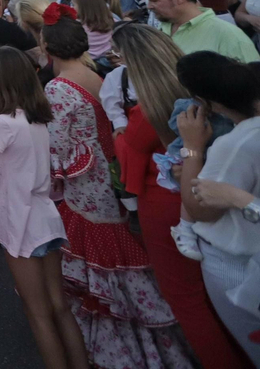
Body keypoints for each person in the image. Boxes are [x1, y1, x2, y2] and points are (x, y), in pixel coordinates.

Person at [39, 18, 187, 368]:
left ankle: (121, 354)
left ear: (48, 49)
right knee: (125, 265)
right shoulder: (98, 76)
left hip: (87, 188)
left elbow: (57, 148)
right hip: (111, 175)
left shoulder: (58, 88)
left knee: (103, 275)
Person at [112, 25, 249, 369]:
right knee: (221, 298)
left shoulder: (147, 111)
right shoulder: (197, 95)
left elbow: (129, 150)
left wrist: (118, 130)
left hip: (168, 204)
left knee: (186, 300)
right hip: (207, 197)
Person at [0, 47, 87, 369]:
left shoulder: (0, 123)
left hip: (18, 221)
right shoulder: (36, 118)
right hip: (45, 216)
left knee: (37, 312)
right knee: (59, 306)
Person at [174, 52, 260, 363]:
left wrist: (192, 150)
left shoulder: (237, 143)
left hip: (237, 265)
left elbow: (201, 209)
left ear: (208, 102)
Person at [146, 0, 259, 62]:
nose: (149, 6)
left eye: (154, 0)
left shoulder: (229, 35)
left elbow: (252, 82)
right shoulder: (159, 30)